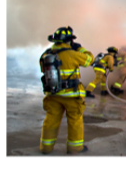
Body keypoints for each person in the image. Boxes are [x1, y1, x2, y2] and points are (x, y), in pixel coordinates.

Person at [38, 26, 93, 154]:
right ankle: (75, 148)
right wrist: (79, 48)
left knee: (50, 120)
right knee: (74, 120)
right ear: (69, 41)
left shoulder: (46, 54)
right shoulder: (73, 54)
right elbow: (89, 60)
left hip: (52, 94)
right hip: (71, 96)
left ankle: (45, 148)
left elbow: (43, 69)